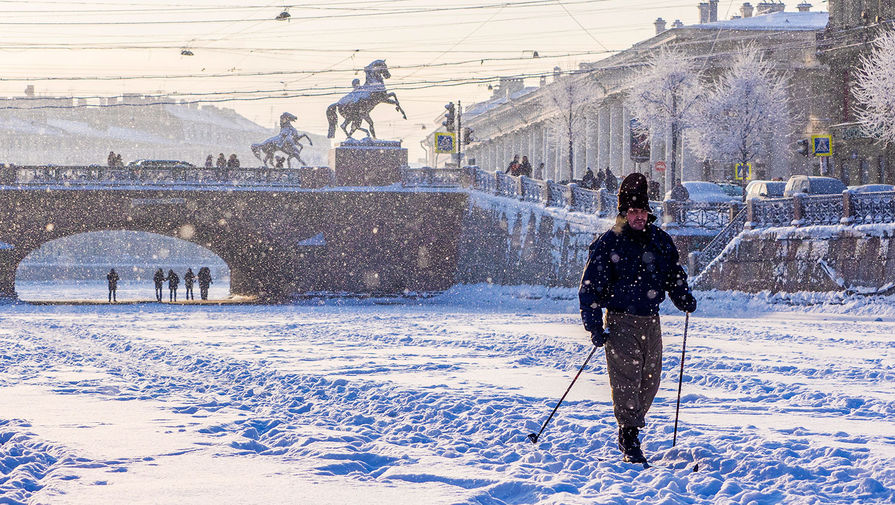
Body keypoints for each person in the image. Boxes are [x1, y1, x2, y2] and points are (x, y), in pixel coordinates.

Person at [578, 172, 697, 465]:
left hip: (650, 320)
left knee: (650, 378)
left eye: (642, 211)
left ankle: (631, 422)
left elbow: (674, 275)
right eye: (632, 212)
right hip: (620, 320)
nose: (638, 217)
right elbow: (590, 286)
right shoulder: (609, 243)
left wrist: (683, 298)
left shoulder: (659, 241)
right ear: (623, 213)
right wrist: (594, 325)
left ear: (648, 212)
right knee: (626, 379)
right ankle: (629, 434)